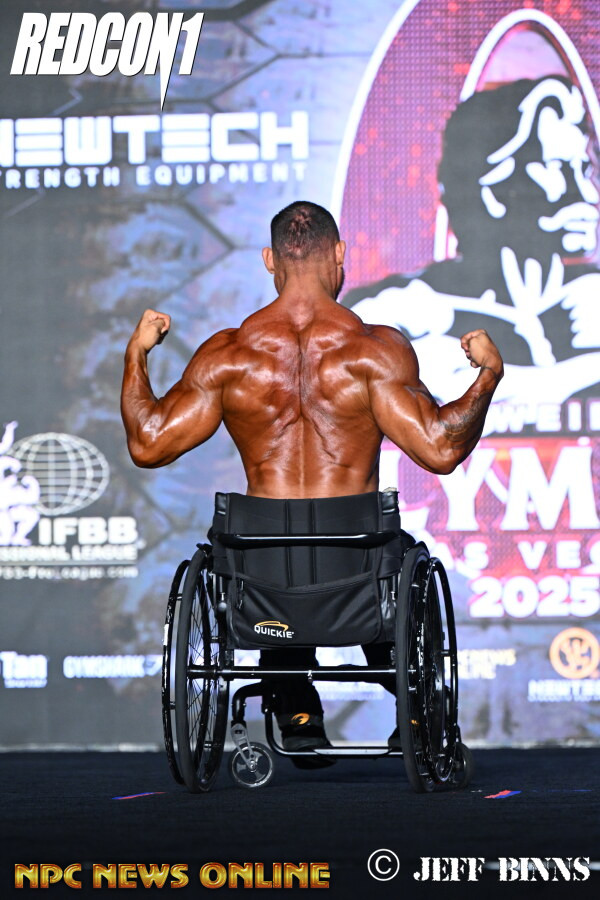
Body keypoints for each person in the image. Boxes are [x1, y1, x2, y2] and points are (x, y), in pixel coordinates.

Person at [121, 200, 503, 759]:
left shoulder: (228, 356)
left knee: (278, 564)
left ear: (269, 260)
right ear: (340, 255)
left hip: (263, 581)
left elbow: (148, 443)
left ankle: (295, 705)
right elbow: (441, 449)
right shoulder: (375, 352)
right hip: (360, 574)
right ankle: (416, 707)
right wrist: (488, 374)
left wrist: (136, 354)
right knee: (388, 558)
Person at [345, 77, 600, 409]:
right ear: (493, 190)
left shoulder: (590, 299)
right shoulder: (407, 307)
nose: (588, 193)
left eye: (584, 170)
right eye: (557, 168)